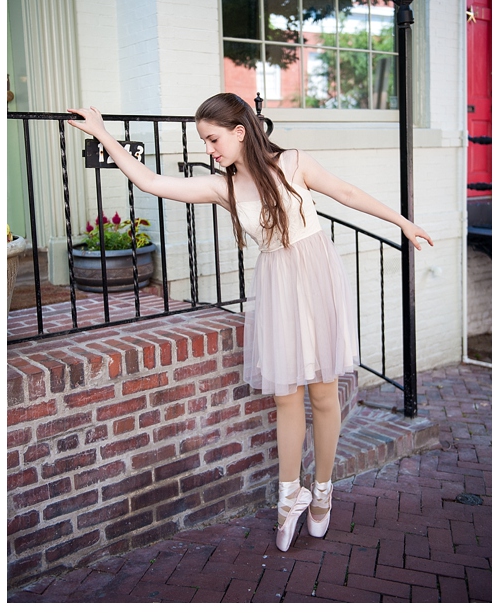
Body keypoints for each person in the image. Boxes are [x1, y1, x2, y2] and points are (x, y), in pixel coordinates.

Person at [67, 93, 432, 552]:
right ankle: (288, 496)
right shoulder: (223, 186)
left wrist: (402, 222)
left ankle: (322, 491)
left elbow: (346, 193)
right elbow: (151, 182)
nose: (210, 150)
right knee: (286, 397)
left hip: (316, 277)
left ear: (240, 131)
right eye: (205, 141)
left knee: (323, 393)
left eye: (213, 139)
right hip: (279, 286)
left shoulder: (294, 163)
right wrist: (102, 133)